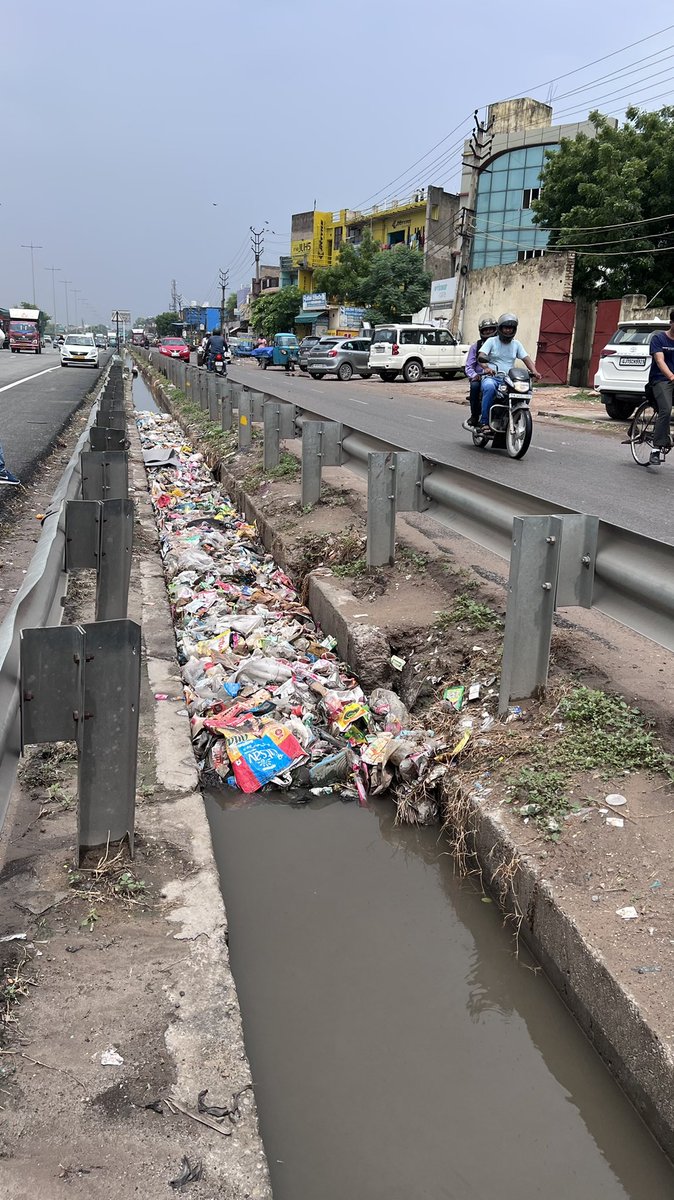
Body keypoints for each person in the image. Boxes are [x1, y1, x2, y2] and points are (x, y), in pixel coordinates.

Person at [477, 313, 540, 429]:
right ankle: (485, 422)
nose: (508, 331)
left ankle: (515, 417)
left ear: (514, 330)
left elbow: (526, 359)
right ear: (500, 328)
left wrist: (535, 371)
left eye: (510, 328)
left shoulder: (516, 344)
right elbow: (481, 356)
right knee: (489, 387)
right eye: (506, 328)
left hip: (509, 379)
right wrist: (486, 368)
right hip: (492, 377)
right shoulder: (491, 341)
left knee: (526, 391)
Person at [647, 309, 674, 466]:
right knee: (665, 409)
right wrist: (671, 376)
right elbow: (659, 360)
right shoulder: (659, 338)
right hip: (661, 380)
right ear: (671, 323)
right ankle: (656, 449)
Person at [462, 315, 497, 430]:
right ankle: (475, 416)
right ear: (481, 331)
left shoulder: (500, 344)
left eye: (491, 329)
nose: (488, 332)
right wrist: (474, 375)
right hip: (480, 377)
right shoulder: (475, 347)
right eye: (486, 330)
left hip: (497, 376)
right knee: (475, 386)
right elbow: (469, 366)